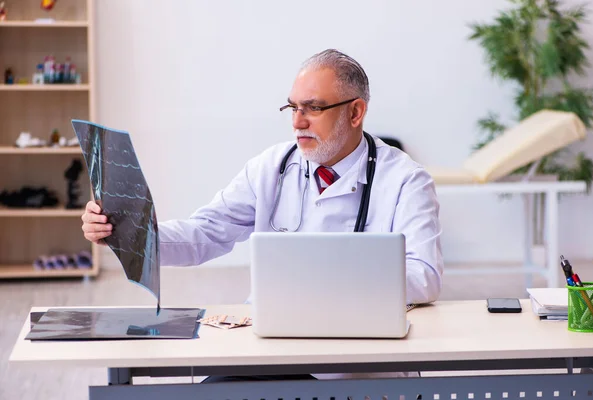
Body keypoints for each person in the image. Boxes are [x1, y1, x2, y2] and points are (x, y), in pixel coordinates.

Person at [81, 48, 444, 308]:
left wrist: (332, 273)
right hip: (274, 341)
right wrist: (129, 232)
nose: (297, 122)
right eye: (293, 107)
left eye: (313, 108)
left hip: (358, 355)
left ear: (355, 112)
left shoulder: (406, 181)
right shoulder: (271, 167)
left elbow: (424, 277)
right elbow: (204, 233)